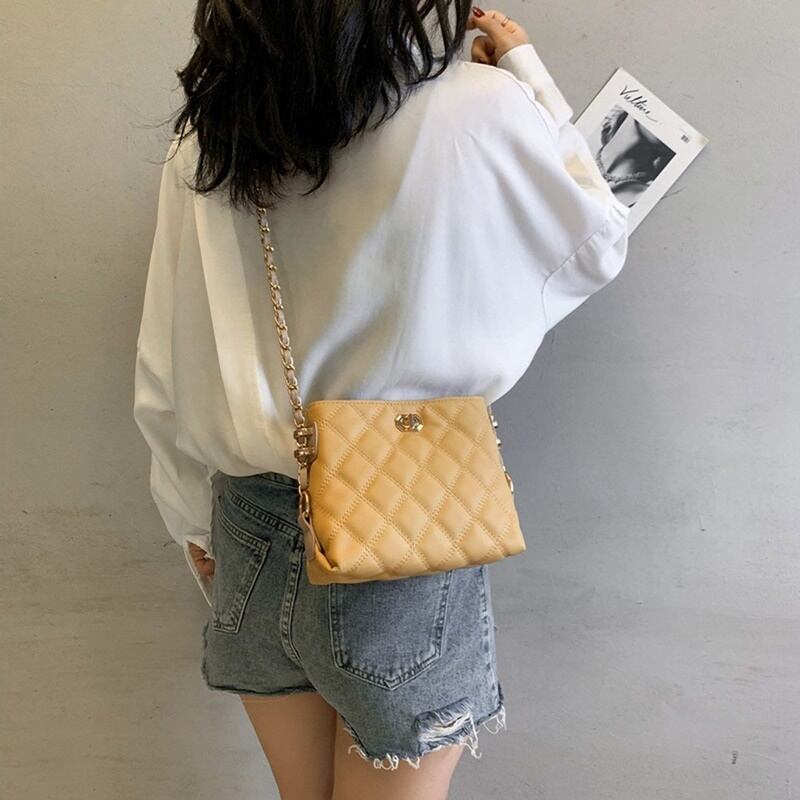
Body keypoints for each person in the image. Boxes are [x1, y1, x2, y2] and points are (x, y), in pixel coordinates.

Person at [133, 3, 631, 798]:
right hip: (402, 523)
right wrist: (526, 74)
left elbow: (165, 352)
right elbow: (597, 238)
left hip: (247, 526)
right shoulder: (479, 106)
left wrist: (192, 521)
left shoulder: (208, 136)